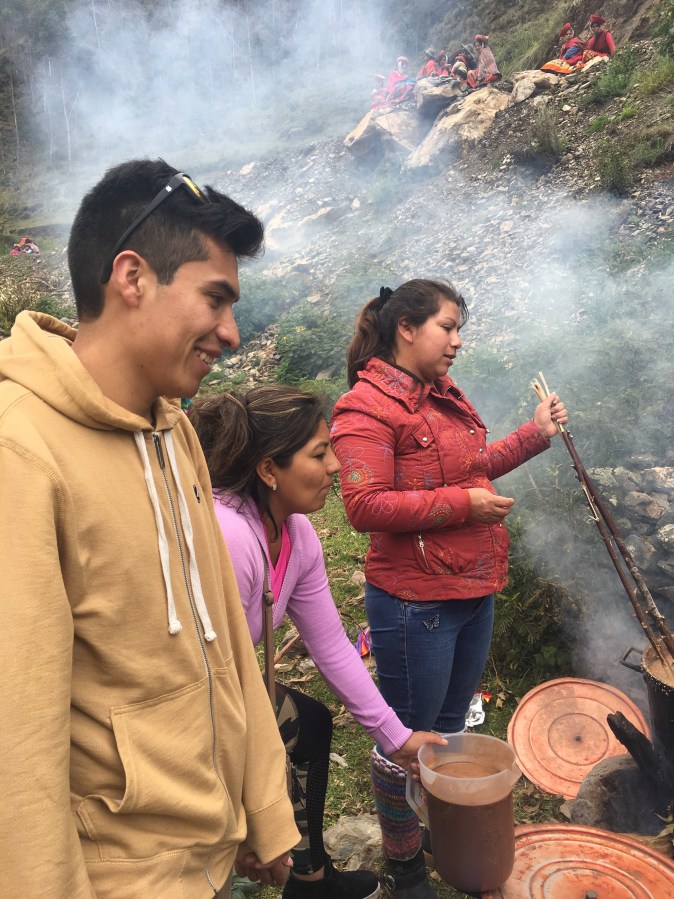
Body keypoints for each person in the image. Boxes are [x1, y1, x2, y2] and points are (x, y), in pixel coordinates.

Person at [0, 159, 300, 898]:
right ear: (132, 277)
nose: (231, 333)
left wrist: (264, 809)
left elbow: (225, 633)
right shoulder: (20, 451)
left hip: (208, 854)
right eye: (215, 299)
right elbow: (18, 731)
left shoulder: (174, 430)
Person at [330, 280, 568, 898]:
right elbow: (363, 505)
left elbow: (474, 467)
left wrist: (535, 432)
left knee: (447, 726)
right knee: (407, 742)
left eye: (459, 328)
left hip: (471, 589)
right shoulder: (365, 407)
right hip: (416, 603)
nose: (458, 341)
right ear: (406, 328)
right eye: (448, 327)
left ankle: (431, 823)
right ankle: (405, 864)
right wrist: (464, 505)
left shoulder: (443, 396)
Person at [191, 386, 445, 899]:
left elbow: (330, 646)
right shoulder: (229, 538)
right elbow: (206, 690)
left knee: (309, 724)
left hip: (230, 690)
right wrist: (256, 815)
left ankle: (310, 880)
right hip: (189, 706)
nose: (335, 466)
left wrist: (397, 740)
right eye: (319, 453)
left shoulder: (297, 535)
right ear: (269, 470)